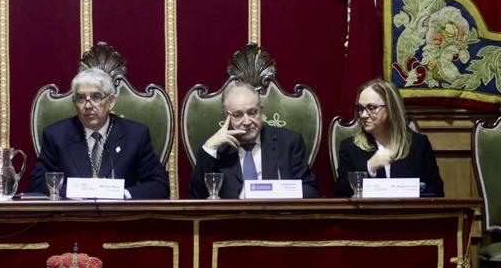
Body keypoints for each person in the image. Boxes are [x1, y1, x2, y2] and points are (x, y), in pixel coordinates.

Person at [30, 68, 169, 199]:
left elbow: (160, 185)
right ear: (74, 103)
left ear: (111, 101)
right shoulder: (56, 135)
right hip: (71, 218)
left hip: (122, 219)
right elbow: (38, 182)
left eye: (96, 97)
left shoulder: (136, 135)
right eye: (81, 98)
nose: (88, 105)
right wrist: (74, 193)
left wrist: (124, 195)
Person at [189, 82, 320, 199]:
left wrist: (273, 193)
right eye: (237, 115)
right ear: (225, 117)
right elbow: (196, 197)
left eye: (252, 112)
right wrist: (210, 149)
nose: (247, 122)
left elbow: (310, 191)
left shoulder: (288, 142)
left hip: (278, 220)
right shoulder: (214, 149)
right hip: (230, 222)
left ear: (261, 111)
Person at [334, 79, 444, 197]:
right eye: (360, 109)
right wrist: (369, 166)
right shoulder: (350, 147)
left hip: (409, 214)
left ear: (391, 109)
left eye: (371, 108)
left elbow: (436, 192)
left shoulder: (418, 145)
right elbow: (341, 193)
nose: (364, 115)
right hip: (368, 215)